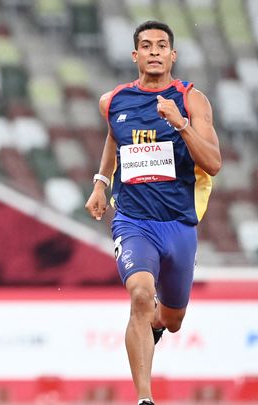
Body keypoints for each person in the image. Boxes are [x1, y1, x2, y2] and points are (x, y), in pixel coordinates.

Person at [85, 21, 221, 405]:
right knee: (141, 295)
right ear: (135, 55)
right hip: (132, 221)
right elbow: (115, 136)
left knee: (172, 321)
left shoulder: (192, 100)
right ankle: (145, 397)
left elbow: (213, 163)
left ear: (173, 55)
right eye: (147, 46)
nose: (155, 52)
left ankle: (159, 323)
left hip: (178, 223)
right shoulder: (112, 101)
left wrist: (180, 125)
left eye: (163, 46)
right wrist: (101, 181)